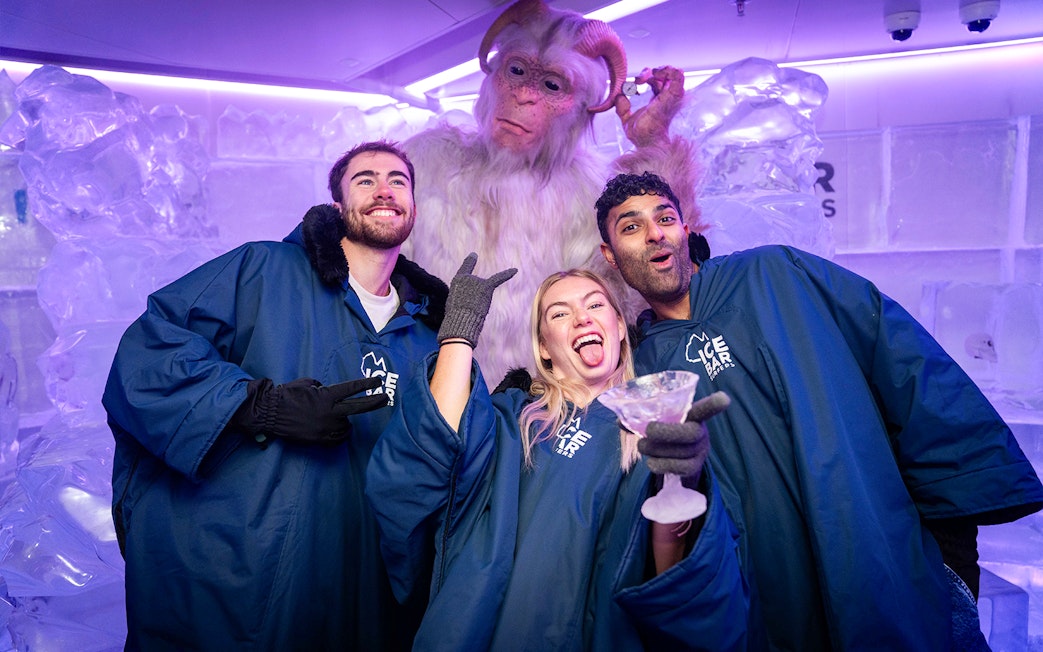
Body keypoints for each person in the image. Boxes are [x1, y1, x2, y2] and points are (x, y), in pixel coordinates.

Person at [594, 171, 1043, 650]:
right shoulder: (644, 372)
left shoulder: (777, 274)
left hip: (871, 544)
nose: (655, 233)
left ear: (686, 229)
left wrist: (954, 531)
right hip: (765, 587)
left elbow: (901, 360)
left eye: (665, 218)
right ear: (610, 255)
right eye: (631, 226)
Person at [102, 140, 447, 650]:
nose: (384, 190)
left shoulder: (425, 336)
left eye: (399, 180)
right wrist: (257, 405)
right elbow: (146, 353)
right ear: (337, 207)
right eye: (365, 179)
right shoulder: (263, 270)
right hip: (249, 566)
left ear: (414, 207)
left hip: (359, 588)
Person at [366, 257, 747, 651]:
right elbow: (425, 458)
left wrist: (680, 481)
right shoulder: (510, 421)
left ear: (619, 327)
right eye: (560, 313)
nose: (582, 318)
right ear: (544, 348)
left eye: (596, 305)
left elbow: (676, 587)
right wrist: (459, 333)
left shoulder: (655, 432)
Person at [401, 0, 707, 383]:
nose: (524, 95)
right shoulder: (426, 163)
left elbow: (654, 292)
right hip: (434, 393)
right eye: (516, 70)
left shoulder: (593, 192)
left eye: (551, 84)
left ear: (580, 109)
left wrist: (654, 144)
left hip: (548, 411)